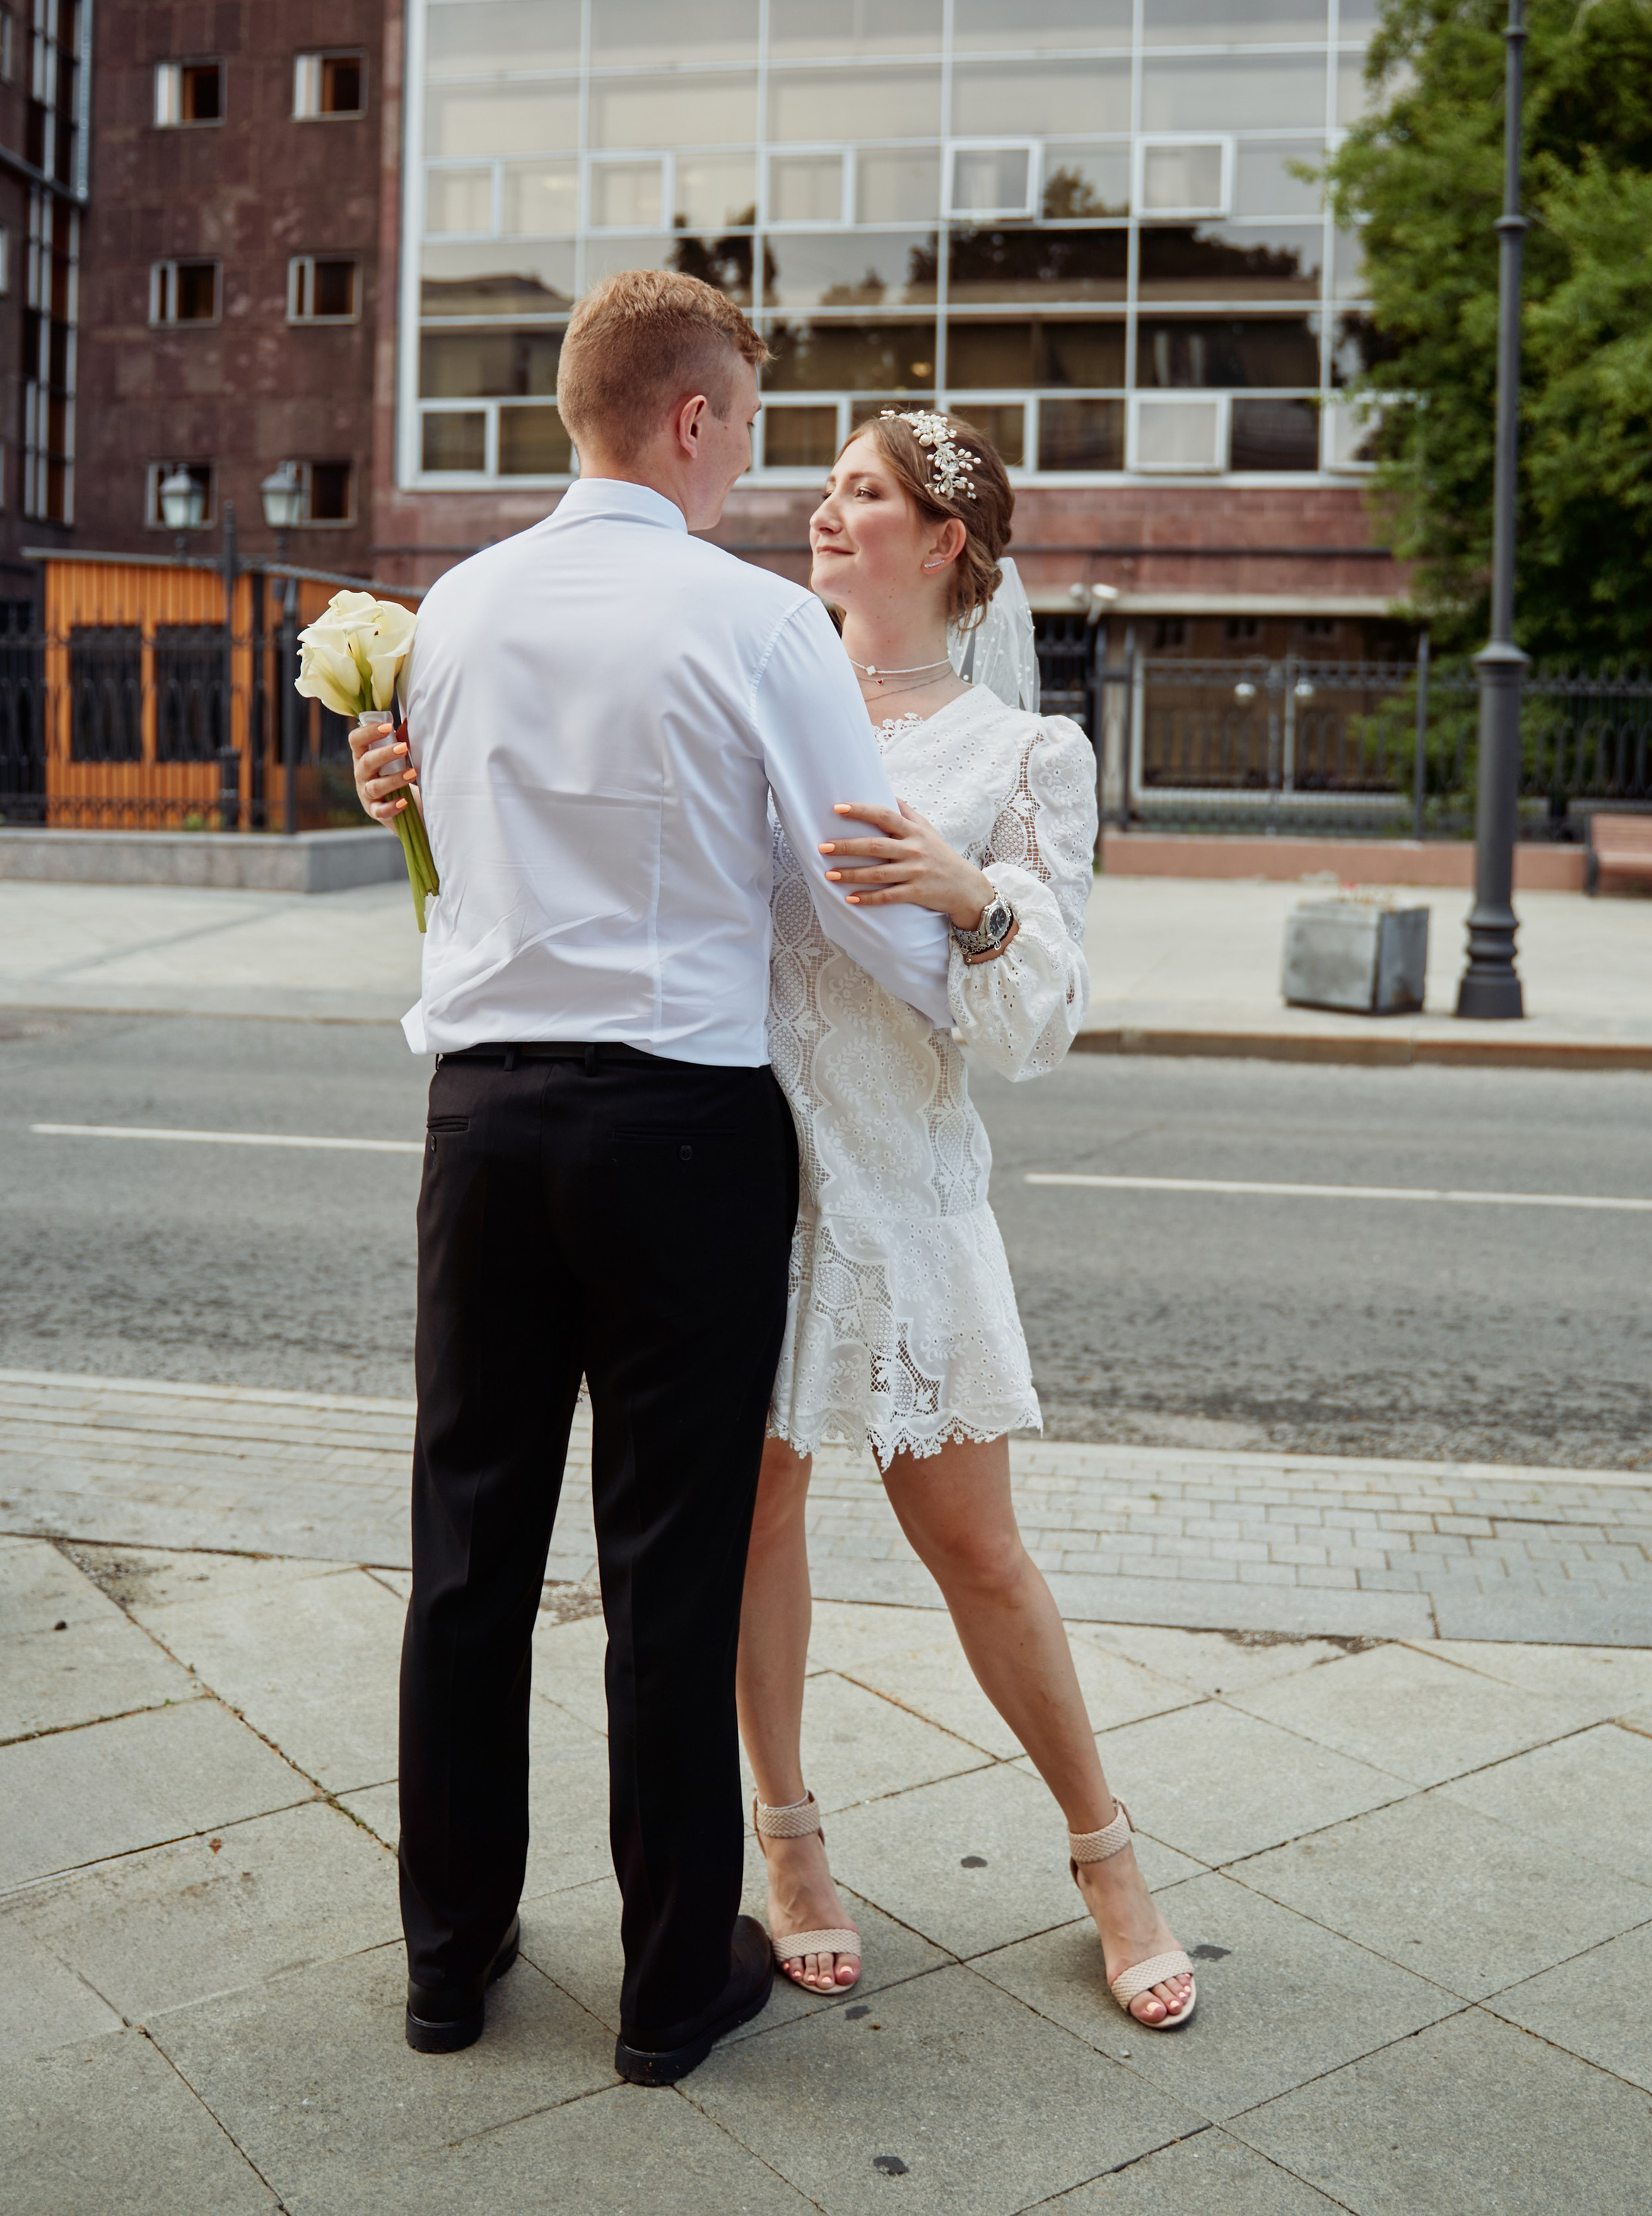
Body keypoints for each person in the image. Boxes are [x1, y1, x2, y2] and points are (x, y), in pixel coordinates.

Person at [357, 398, 1194, 2037]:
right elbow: (607, 850)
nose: (823, 510)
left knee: (975, 1549)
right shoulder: (754, 673)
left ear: (943, 541)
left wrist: (972, 899)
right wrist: (416, 788)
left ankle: (1108, 1861)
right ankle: (790, 1852)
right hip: (726, 1185)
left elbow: (1037, 1022)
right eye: (819, 482)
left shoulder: (1027, 754)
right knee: (740, 1536)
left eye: (861, 492)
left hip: (898, 1195)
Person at [375, 270, 951, 2086]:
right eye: (747, 430)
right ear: (691, 419)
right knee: (669, 1567)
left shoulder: (452, 613)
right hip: (679, 1132)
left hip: (482, 1124)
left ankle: (446, 1963)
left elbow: (448, 855)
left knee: (467, 1549)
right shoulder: (753, 620)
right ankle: (667, 1985)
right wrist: (973, 964)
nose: (749, 466)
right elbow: (855, 877)